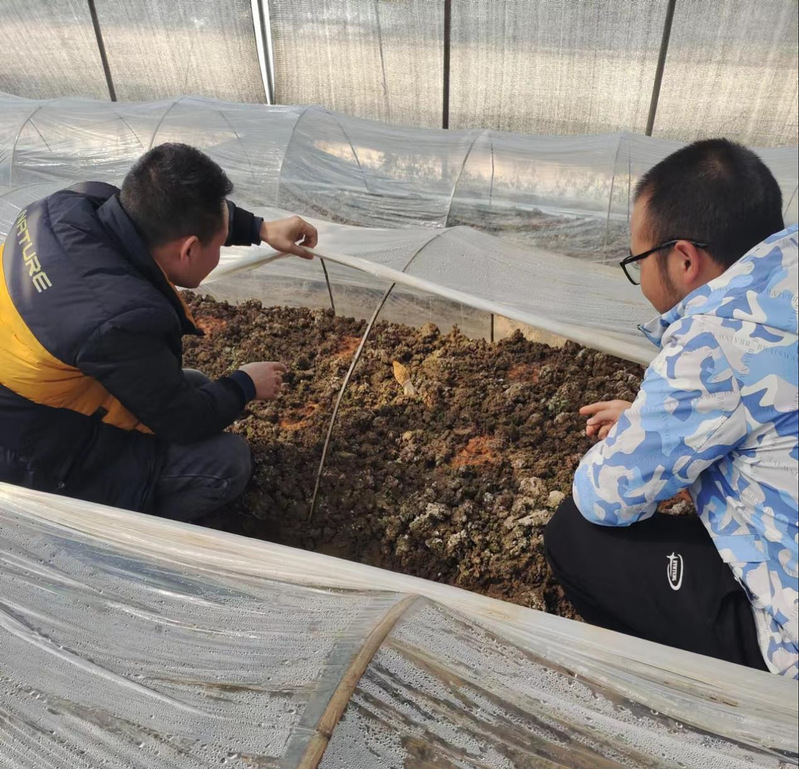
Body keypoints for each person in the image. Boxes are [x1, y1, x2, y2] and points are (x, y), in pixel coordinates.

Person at [544, 139, 798, 677]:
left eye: (638, 261)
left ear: (684, 258)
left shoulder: (718, 338)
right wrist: (663, 427)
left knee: (574, 535)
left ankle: (692, 697)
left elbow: (606, 496)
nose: (640, 278)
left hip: (790, 642)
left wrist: (645, 437)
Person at [0, 143, 318, 522]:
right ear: (189, 250)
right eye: (218, 245)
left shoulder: (69, 205)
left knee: (195, 384)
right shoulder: (119, 319)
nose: (220, 250)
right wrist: (246, 384)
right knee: (226, 461)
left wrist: (260, 228)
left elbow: (175, 211)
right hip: (35, 455)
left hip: (35, 399)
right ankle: (129, 532)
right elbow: (182, 421)